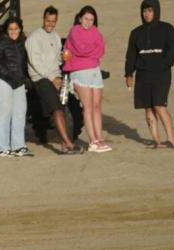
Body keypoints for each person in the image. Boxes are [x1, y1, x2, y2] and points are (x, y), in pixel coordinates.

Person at [124, 0, 174, 149]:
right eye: (144, 11)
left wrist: (162, 65)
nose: (147, 14)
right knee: (148, 107)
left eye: (150, 10)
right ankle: (156, 141)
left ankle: (171, 140)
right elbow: (131, 56)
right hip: (142, 75)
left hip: (161, 74)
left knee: (159, 105)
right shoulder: (135, 33)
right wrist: (129, 74)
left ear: (156, 11)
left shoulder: (167, 29)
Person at [26, 6, 80, 154]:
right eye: (48, 21)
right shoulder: (34, 38)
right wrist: (52, 79)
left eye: (53, 21)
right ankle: (68, 144)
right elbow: (35, 63)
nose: (50, 24)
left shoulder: (56, 37)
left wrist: (62, 58)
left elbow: (56, 59)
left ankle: (64, 145)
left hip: (55, 76)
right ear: (43, 19)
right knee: (57, 109)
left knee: (62, 109)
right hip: (41, 78)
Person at [63, 6, 110, 153]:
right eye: (86, 19)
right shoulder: (75, 30)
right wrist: (92, 51)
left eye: (91, 20)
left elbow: (101, 49)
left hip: (94, 70)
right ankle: (92, 140)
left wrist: (90, 52)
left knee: (96, 106)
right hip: (80, 71)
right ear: (79, 18)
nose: (88, 22)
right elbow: (80, 49)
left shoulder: (95, 31)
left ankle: (99, 137)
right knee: (88, 106)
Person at [0, 16, 29, 158]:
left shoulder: (22, 42)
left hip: (18, 81)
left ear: (20, 29)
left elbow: (25, 63)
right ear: (6, 30)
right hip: (2, 81)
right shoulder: (0, 42)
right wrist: (9, 76)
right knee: (4, 113)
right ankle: (1, 147)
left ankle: (18, 146)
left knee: (20, 112)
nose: (13, 32)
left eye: (16, 29)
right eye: (10, 29)